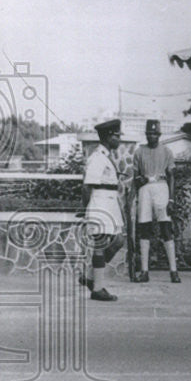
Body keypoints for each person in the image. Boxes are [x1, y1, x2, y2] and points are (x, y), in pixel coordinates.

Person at [78, 119, 126, 301]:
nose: (119, 140)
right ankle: (97, 288)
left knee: (118, 241)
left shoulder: (106, 156)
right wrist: (86, 209)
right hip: (100, 203)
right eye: (116, 136)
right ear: (108, 136)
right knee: (101, 244)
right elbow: (86, 186)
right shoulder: (97, 158)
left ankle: (90, 277)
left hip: (110, 203)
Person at [132, 119, 180, 283]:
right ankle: (145, 272)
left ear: (159, 135)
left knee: (166, 227)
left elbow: (172, 176)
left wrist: (172, 199)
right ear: (146, 135)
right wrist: (140, 180)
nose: (152, 136)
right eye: (149, 133)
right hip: (145, 189)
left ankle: (173, 271)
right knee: (144, 228)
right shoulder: (139, 151)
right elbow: (135, 177)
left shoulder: (166, 151)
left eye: (155, 133)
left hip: (161, 187)